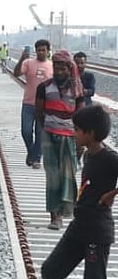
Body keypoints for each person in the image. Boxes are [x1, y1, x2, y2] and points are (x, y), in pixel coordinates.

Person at [41, 103, 118, 279]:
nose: (73, 133)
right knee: (50, 271)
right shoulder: (88, 155)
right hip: (79, 226)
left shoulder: (110, 158)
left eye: (76, 130)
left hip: (97, 231)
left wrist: (112, 194)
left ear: (90, 133)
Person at [38, 50, 87, 229]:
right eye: (56, 66)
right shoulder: (44, 87)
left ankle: (68, 210)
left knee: (68, 176)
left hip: (70, 138)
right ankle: (55, 216)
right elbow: (39, 113)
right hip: (49, 136)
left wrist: (80, 142)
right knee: (53, 177)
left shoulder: (77, 89)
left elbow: (81, 116)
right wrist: (48, 130)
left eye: (62, 67)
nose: (59, 70)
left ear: (68, 68)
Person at [16, 40, 54, 168]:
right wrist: (22, 58)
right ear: (35, 50)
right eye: (39, 50)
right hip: (28, 103)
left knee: (40, 134)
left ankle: (36, 159)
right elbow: (16, 73)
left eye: (44, 50)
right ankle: (31, 152)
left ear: (48, 51)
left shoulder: (52, 66)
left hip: (45, 106)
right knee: (26, 131)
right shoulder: (28, 63)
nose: (41, 52)